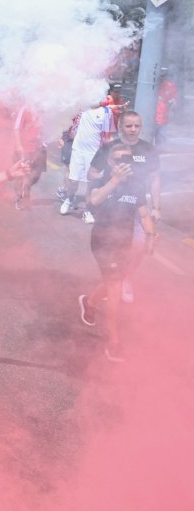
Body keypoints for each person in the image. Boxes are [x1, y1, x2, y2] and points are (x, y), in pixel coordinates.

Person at [78, 142, 156, 362]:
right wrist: (115, 181)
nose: (126, 165)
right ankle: (114, 343)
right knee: (115, 291)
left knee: (115, 282)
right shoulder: (101, 180)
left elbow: (143, 214)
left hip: (124, 243)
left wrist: (150, 236)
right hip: (103, 243)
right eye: (121, 160)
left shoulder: (136, 186)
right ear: (111, 162)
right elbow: (94, 200)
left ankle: (89, 303)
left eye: (129, 160)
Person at [88, 110, 160, 304]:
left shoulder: (149, 150)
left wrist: (156, 207)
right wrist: (109, 180)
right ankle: (114, 281)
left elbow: (154, 179)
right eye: (128, 126)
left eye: (137, 126)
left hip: (137, 205)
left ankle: (124, 277)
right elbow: (92, 173)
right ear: (120, 127)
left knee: (138, 246)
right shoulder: (109, 148)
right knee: (116, 249)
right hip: (112, 207)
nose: (133, 130)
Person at [61, 104, 116, 223]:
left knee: (90, 183)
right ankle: (69, 200)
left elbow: (108, 135)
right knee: (73, 181)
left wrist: (110, 152)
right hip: (77, 150)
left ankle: (88, 211)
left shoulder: (106, 112)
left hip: (93, 152)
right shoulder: (81, 106)